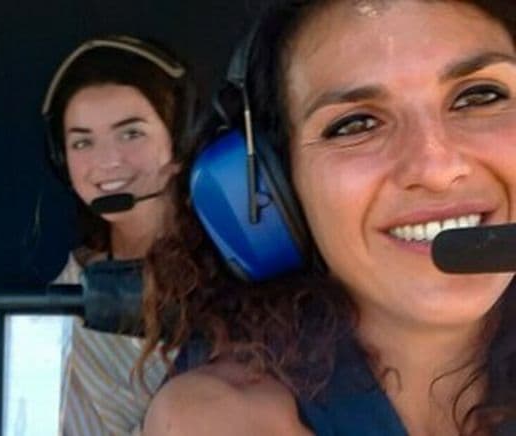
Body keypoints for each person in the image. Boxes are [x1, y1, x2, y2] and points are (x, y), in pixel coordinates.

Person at [141, 1, 516, 435]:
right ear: (273, 187)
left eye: (479, 97)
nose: (436, 168)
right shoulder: (223, 419)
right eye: (355, 124)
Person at [41, 35, 197, 435]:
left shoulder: (237, 283)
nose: (107, 161)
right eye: (82, 142)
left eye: (131, 134)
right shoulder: (65, 293)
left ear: (180, 139)